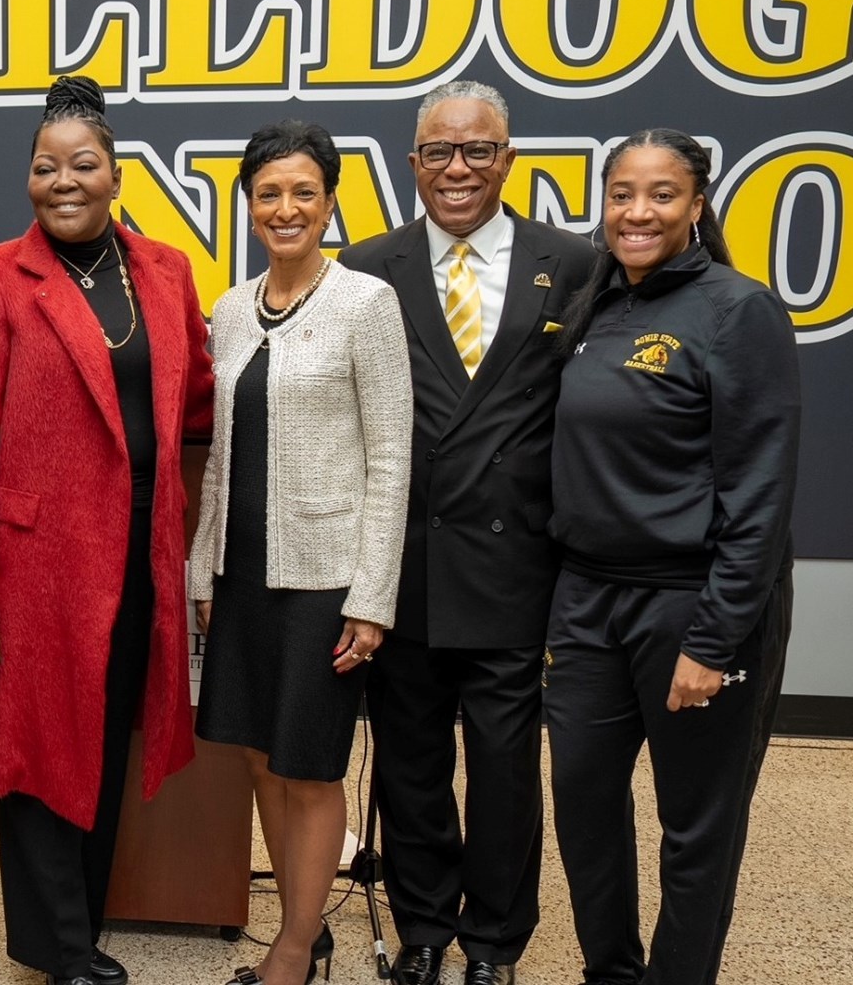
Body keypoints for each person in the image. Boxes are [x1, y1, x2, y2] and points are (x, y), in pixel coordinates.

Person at [0, 75, 214, 985]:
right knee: (37, 747)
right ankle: (58, 946)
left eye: (83, 164)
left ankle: (79, 926)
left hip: (140, 552)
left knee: (103, 739)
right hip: (33, 563)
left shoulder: (165, 271)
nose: (63, 180)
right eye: (45, 166)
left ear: (116, 173)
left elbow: (200, 400)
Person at [335, 80, 595, 985]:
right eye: (439, 152)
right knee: (409, 768)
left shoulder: (573, 265)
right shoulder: (366, 266)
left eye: (478, 150)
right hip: (403, 567)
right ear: (412, 164)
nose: (458, 169)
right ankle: (422, 932)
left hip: (516, 568)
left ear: (509, 160)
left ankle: (493, 942)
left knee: (504, 775)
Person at [544, 129, 799, 985]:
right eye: (622, 193)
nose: (638, 212)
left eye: (661, 194)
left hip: (690, 606)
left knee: (696, 825)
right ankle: (610, 973)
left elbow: (759, 494)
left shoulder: (738, 310)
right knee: (582, 807)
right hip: (587, 604)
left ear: (696, 205)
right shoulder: (597, 302)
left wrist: (715, 640)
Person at [188, 120, 412, 985]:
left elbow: (392, 457)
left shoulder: (365, 304)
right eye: (269, 193)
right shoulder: (233, 309)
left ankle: (291, 950)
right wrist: (204, 564)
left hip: (328, 579)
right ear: (249, 205)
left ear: (329, 203)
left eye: (303, 193)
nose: (286, 208)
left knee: (309, 766)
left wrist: (372, 597)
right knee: (252, 753)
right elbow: (223, 457)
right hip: (242, 574)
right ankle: (303, 921)